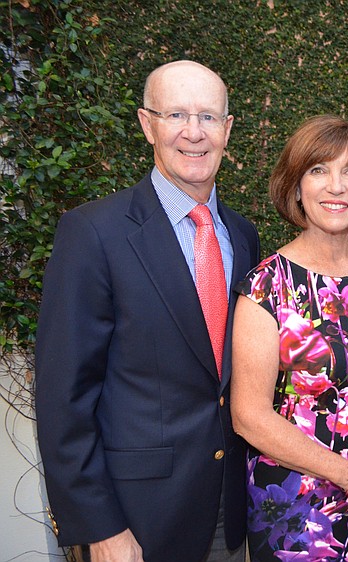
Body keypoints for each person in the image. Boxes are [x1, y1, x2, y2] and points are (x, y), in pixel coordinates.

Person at [34, 60, 260, 562]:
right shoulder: (93, 233)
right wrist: (101, 528)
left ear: (227, 130)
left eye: (207, 117)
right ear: (146, 124)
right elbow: (62, 399)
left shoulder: (242, 237)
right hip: (135, 519)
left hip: (229, 509)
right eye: (176, 114)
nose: (193, 133)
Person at [231, 115, 348, 561]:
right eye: (318, 170)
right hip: (297, 516)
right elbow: (249, 416)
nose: (336, 186)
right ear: (296, 188)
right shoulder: (266, 286)